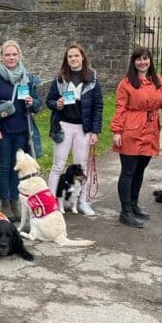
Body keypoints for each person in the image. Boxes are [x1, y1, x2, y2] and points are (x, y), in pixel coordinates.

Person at [110, 46, 162, 229]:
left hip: (150, 131)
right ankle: (125, 212)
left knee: (140, 171)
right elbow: (120, 108)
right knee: (128, 172)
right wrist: (117, 131)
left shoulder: (158, 81)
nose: (143, 62)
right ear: (134, 62)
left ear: (150, 60)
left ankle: (133, 205)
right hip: (131, 131)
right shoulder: (126, 83)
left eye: (146, 58)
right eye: (139, 59)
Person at [0, 40, 42, 222]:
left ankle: (15, 201)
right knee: (3, 167)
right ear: (1, 56)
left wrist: (32, 103)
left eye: (14, 54)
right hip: (3, 130)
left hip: (22, 130)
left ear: (19, 56)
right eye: (7, 54)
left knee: (17, 169)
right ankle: (4, 203)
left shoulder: (28, 78)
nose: (11, 58)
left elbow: (38, 105)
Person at [46, 43, 103, 217]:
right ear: (66, 59)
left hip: (83, 129)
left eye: (76, 56)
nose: (73, 59)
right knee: (58, 165)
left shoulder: (92, 78)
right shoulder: (60, 78)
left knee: (82, 166)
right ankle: (50, 203)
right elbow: (50, 101)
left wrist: (95, 131)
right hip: (63, 125)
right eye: (70, 56)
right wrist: (58, 104)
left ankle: (83, 201)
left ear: (83, 57)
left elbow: (98, 106)